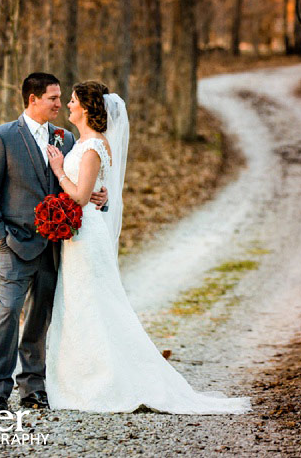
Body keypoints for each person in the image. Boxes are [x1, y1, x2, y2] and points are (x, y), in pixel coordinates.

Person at [45, 81, 251, 414]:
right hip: (79, 234)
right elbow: (94, 189)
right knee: (82, 302)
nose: (67, 105)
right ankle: (81, 376)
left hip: (86, 235)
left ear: (85, 107)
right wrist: (95, 191)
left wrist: (59, 171)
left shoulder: (95, 145)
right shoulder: (83, 142)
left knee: (93, 302)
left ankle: (103, 382)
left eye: (71, 101)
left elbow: (81, 195)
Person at [0, 72, 108, 414]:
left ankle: (33, 389)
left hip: (54, 248)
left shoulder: (65, 138)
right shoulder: (2, 137)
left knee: (40, 320)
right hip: (14, 247)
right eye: (52, 98)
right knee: (8, 315)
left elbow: (79, 186)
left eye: (62, 97)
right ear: (32, 99)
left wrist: (100, 198)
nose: (59, 104)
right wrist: (0, 240)